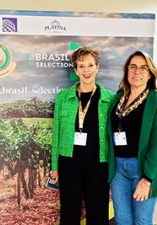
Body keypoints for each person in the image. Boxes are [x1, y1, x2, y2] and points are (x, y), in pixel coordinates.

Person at [107, 50, 157, 225]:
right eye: (133, 67)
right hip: (118, 169)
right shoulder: (118, 98)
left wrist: (148, 179)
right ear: (127, 70)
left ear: (151, 73)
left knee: (142, 220)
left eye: (143, 68)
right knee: (122, 219)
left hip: (142, 169)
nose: (137, 72)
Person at [50, 46, 114, 225]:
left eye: (90, 65)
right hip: (69, 163)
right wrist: (55, 166)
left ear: (97, 67)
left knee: (98, 212)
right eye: (81, 66)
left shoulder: (110, 98)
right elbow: (56, 134)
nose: (86, 70)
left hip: (99, 164)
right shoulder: (63, 97)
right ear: (75, 70)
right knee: (69, 212)